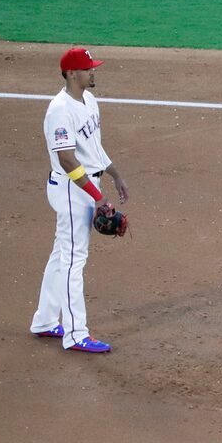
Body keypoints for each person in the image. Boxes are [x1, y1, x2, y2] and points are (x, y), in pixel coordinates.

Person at [29, 47, 129, 353]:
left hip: (87, 186)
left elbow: (92, 149)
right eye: (88, 69)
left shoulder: (88, 100)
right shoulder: (60, 110)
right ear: (72, 73)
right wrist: (97, 197)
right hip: (73, 189)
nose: (93, 72)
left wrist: (114, 173)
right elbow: (68, 160)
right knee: (74, 260)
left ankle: (45, 321)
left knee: (63, 254)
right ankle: (75, 334)